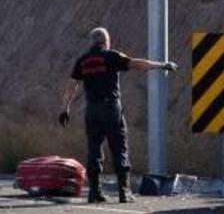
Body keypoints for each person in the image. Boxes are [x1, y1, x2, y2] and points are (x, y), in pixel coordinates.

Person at [59, 27, 178, 203]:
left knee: (94, 150)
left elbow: (72, 85)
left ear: (92, 42)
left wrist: (65, 108)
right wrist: (162, 65)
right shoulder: (111, 56)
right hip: (110, 108)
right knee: (119, 147)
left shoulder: (82, 61)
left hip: (92, 110)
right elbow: (137, 63)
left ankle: (94, 192)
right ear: (106, 41)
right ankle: (124, 192)